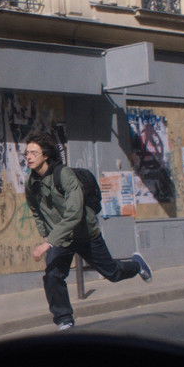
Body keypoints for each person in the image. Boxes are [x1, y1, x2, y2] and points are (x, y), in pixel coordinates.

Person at [25, 132, 151, 331]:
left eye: (33, 152)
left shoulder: (64, 175)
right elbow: (35, 209)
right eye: (27, 153)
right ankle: (64, 319)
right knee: (52, 276)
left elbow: (75, 213)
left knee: (113, 273)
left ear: (46, 155)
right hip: (62, 239)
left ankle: (136, 264)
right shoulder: (31, 183)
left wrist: (48, 242)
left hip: (85, 234)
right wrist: (46, 234)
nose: (29, 157)